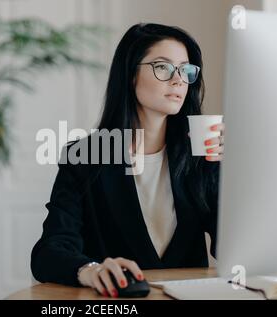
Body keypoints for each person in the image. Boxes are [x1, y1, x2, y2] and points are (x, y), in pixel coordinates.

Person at [31, 23, 224, 298]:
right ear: (130, 74)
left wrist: (236, 171)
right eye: (163, 67)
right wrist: (91, 269)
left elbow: (232, 246)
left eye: (185, 69)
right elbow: (48, 252)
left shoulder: (201, 155)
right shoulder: (85, 158)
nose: (179, 79)